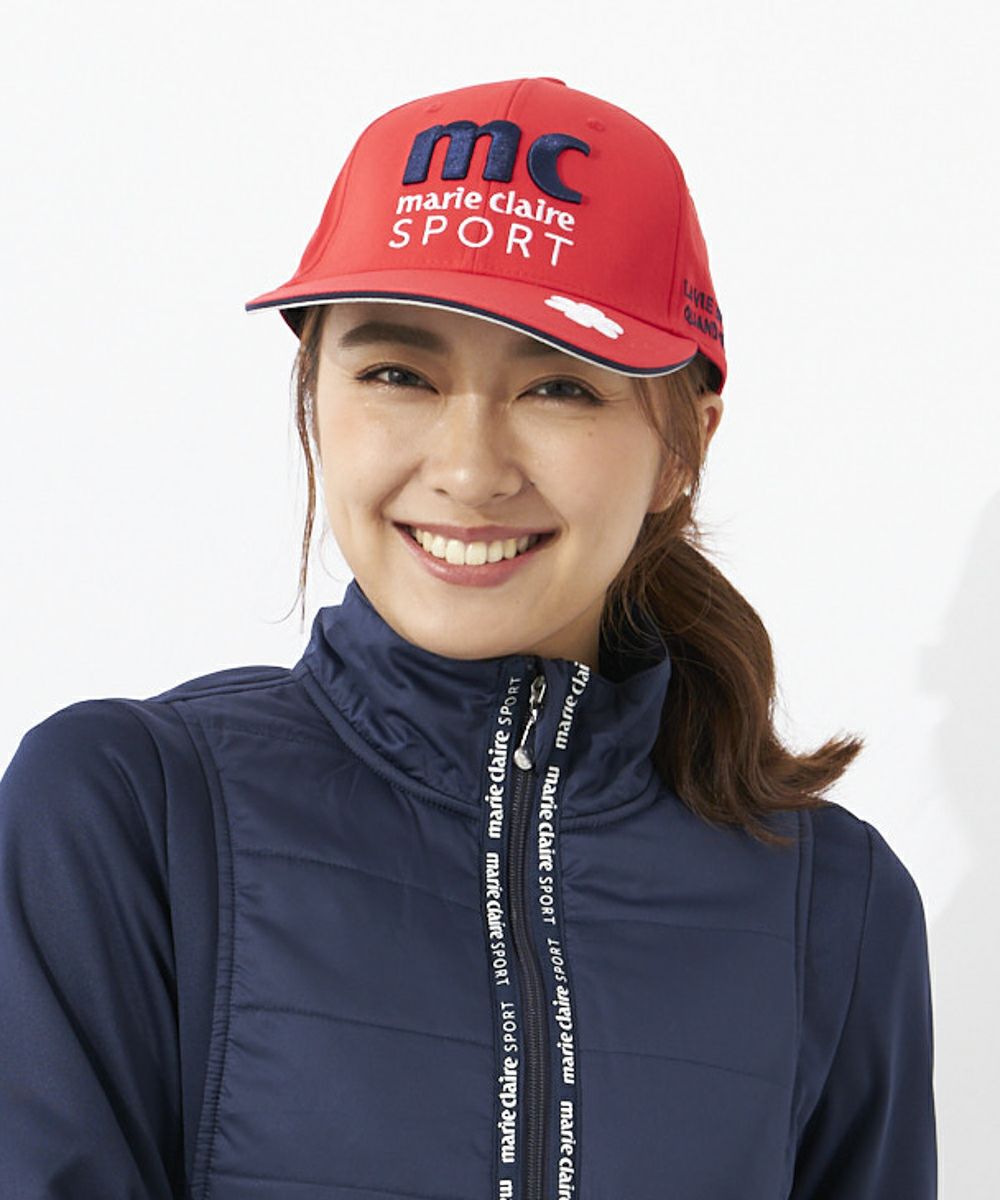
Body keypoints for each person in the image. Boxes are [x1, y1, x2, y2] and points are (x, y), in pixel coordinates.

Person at [0, 76, 936, 1198]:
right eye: (398, 374)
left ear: (684, 448)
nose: (468, 470)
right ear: (313, 395)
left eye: (560, 388)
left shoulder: (833, 907)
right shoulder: (129, 814)